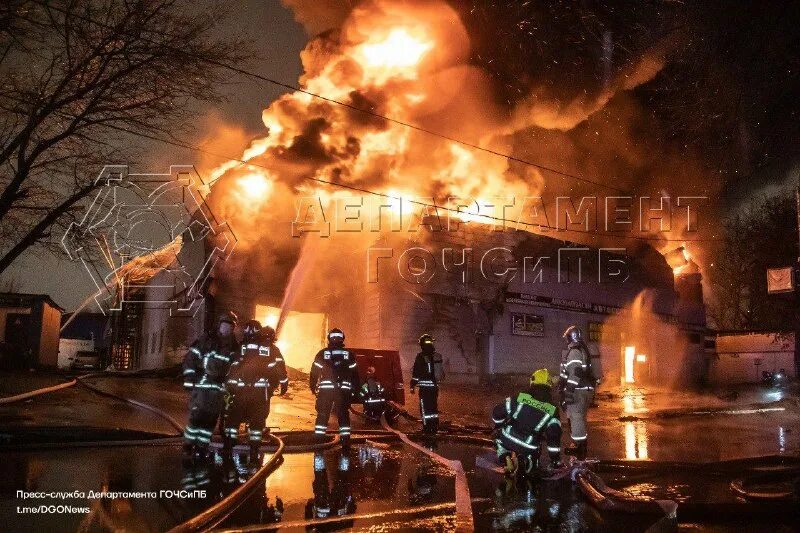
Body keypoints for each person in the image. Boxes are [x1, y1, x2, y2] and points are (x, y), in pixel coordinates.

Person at [224, 321, 288, 461]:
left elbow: (232, 368)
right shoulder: (270, 349)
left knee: (233, 419)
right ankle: (254, 451)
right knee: (257, 422)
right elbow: (279, 367)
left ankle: (228, 448)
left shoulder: (240, 348)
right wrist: (283, 384)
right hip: (260, 393)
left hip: (241, 392)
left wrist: (229, 387)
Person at [182, 311, 238, 462]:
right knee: (197, 417)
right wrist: (189, 377)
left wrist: (233, 387)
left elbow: (236, 368)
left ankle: (202, 447)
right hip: (202, 384)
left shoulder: (234, 347)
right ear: (219, 325)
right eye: (225, 325)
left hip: (218, 389)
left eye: (230, 326)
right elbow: (190, 358)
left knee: (210, 420)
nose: (227, 329)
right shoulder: (207, 340)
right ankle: (188, 446)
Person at [492, 368, 563, 478]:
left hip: (508, 437)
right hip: (529, 445)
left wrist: (498, 426)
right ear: (549, 386)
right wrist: (555, 460)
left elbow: (497, 412)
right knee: (534, 456)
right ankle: (529, 463)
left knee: (498, 441)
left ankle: (505, 456)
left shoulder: (520, 397)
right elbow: (553, 436)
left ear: (533, 382)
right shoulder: (552, 409)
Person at [310, 328, 358, 448]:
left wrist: (312, 386)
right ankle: (345, 440)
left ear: (329, 338)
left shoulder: (322, 353)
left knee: (323, 413)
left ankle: (319, 439)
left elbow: (314, 372)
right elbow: (355, 374)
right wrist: (355, 390)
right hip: (343, 390)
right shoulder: (349, 354)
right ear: (342, 339)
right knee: (343, 414)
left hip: (326, 390)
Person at [558, 325, 597, 460]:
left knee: (576, 417)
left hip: (577, 390)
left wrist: (569, 391)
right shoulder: (581, 350)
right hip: (584, 389)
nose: (566, 340)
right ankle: (580, 445)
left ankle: (579, 448)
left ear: (571, 337)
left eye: (567, 338)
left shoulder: (574, 352)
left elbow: (575, 373)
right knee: (579, 417)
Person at [410, 334, 444, 434]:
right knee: (433, 408)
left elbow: (416, 373)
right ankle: (434, 428)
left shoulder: (420, 356)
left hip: (424, 389)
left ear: (421, 344)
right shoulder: (436, 356)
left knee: (425, 409)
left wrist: (412, 385)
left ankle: (426, 428)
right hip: (434, 387)